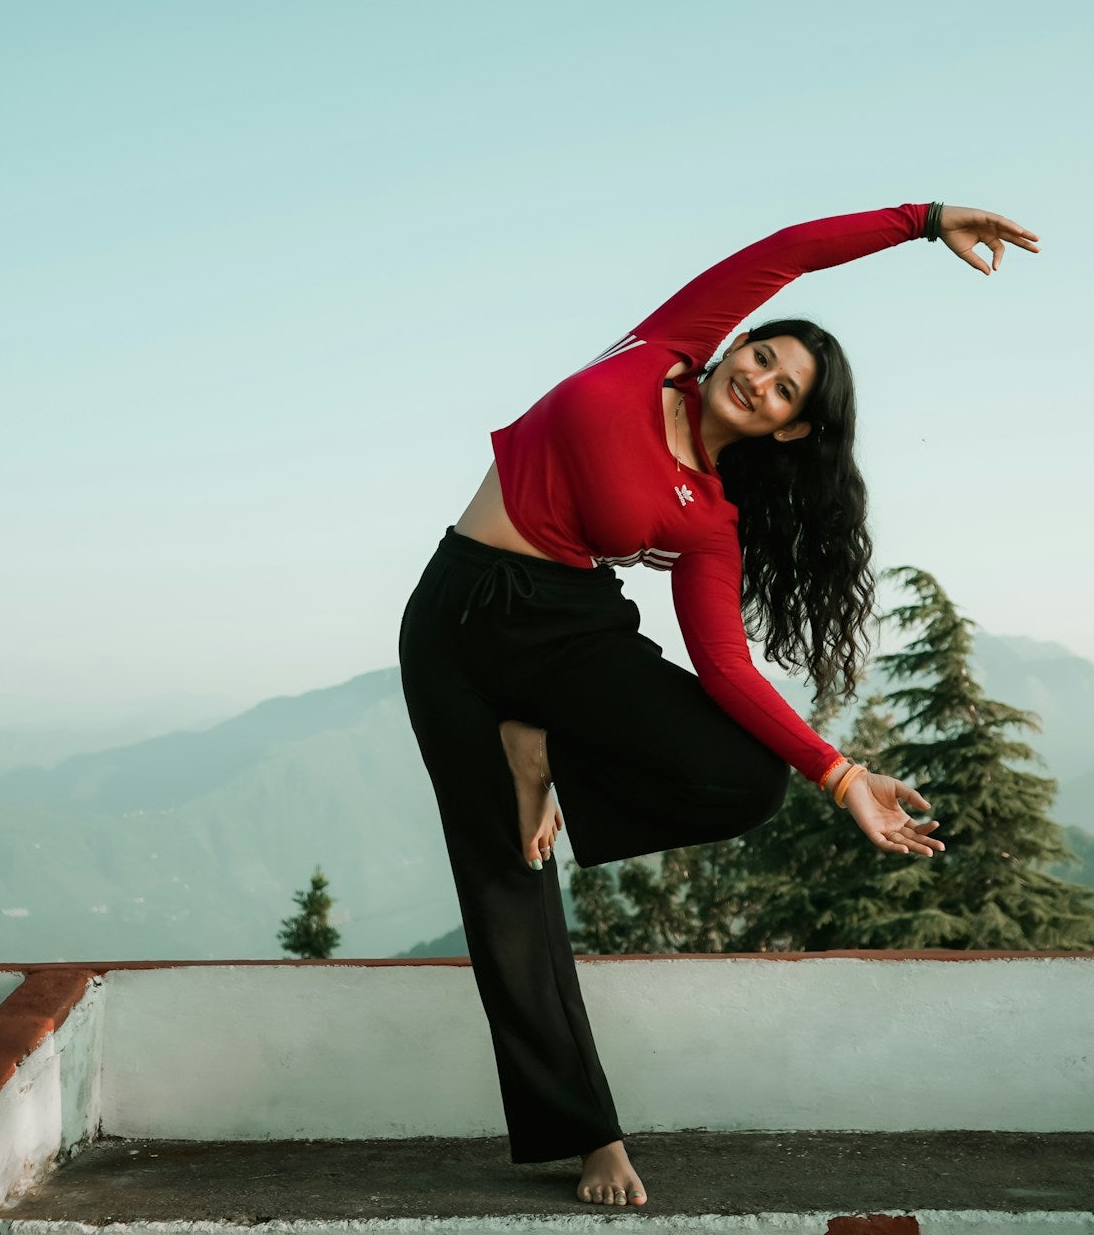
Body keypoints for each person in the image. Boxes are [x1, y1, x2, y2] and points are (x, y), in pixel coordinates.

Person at [397, 200, 1039, 1207]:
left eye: (785, 391)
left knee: (742, 778)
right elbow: (789, 253)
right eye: (766, 356)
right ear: (740, 340)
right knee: (504, 888)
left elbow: (728, 672)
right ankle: (588, 1128)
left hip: (567, 633)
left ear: (787, 428)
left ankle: (544, 751)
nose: (762, 378)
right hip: (453, 620)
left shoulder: (711, 521)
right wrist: (923, 220)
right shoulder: (666, 348)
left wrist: (838, 774)